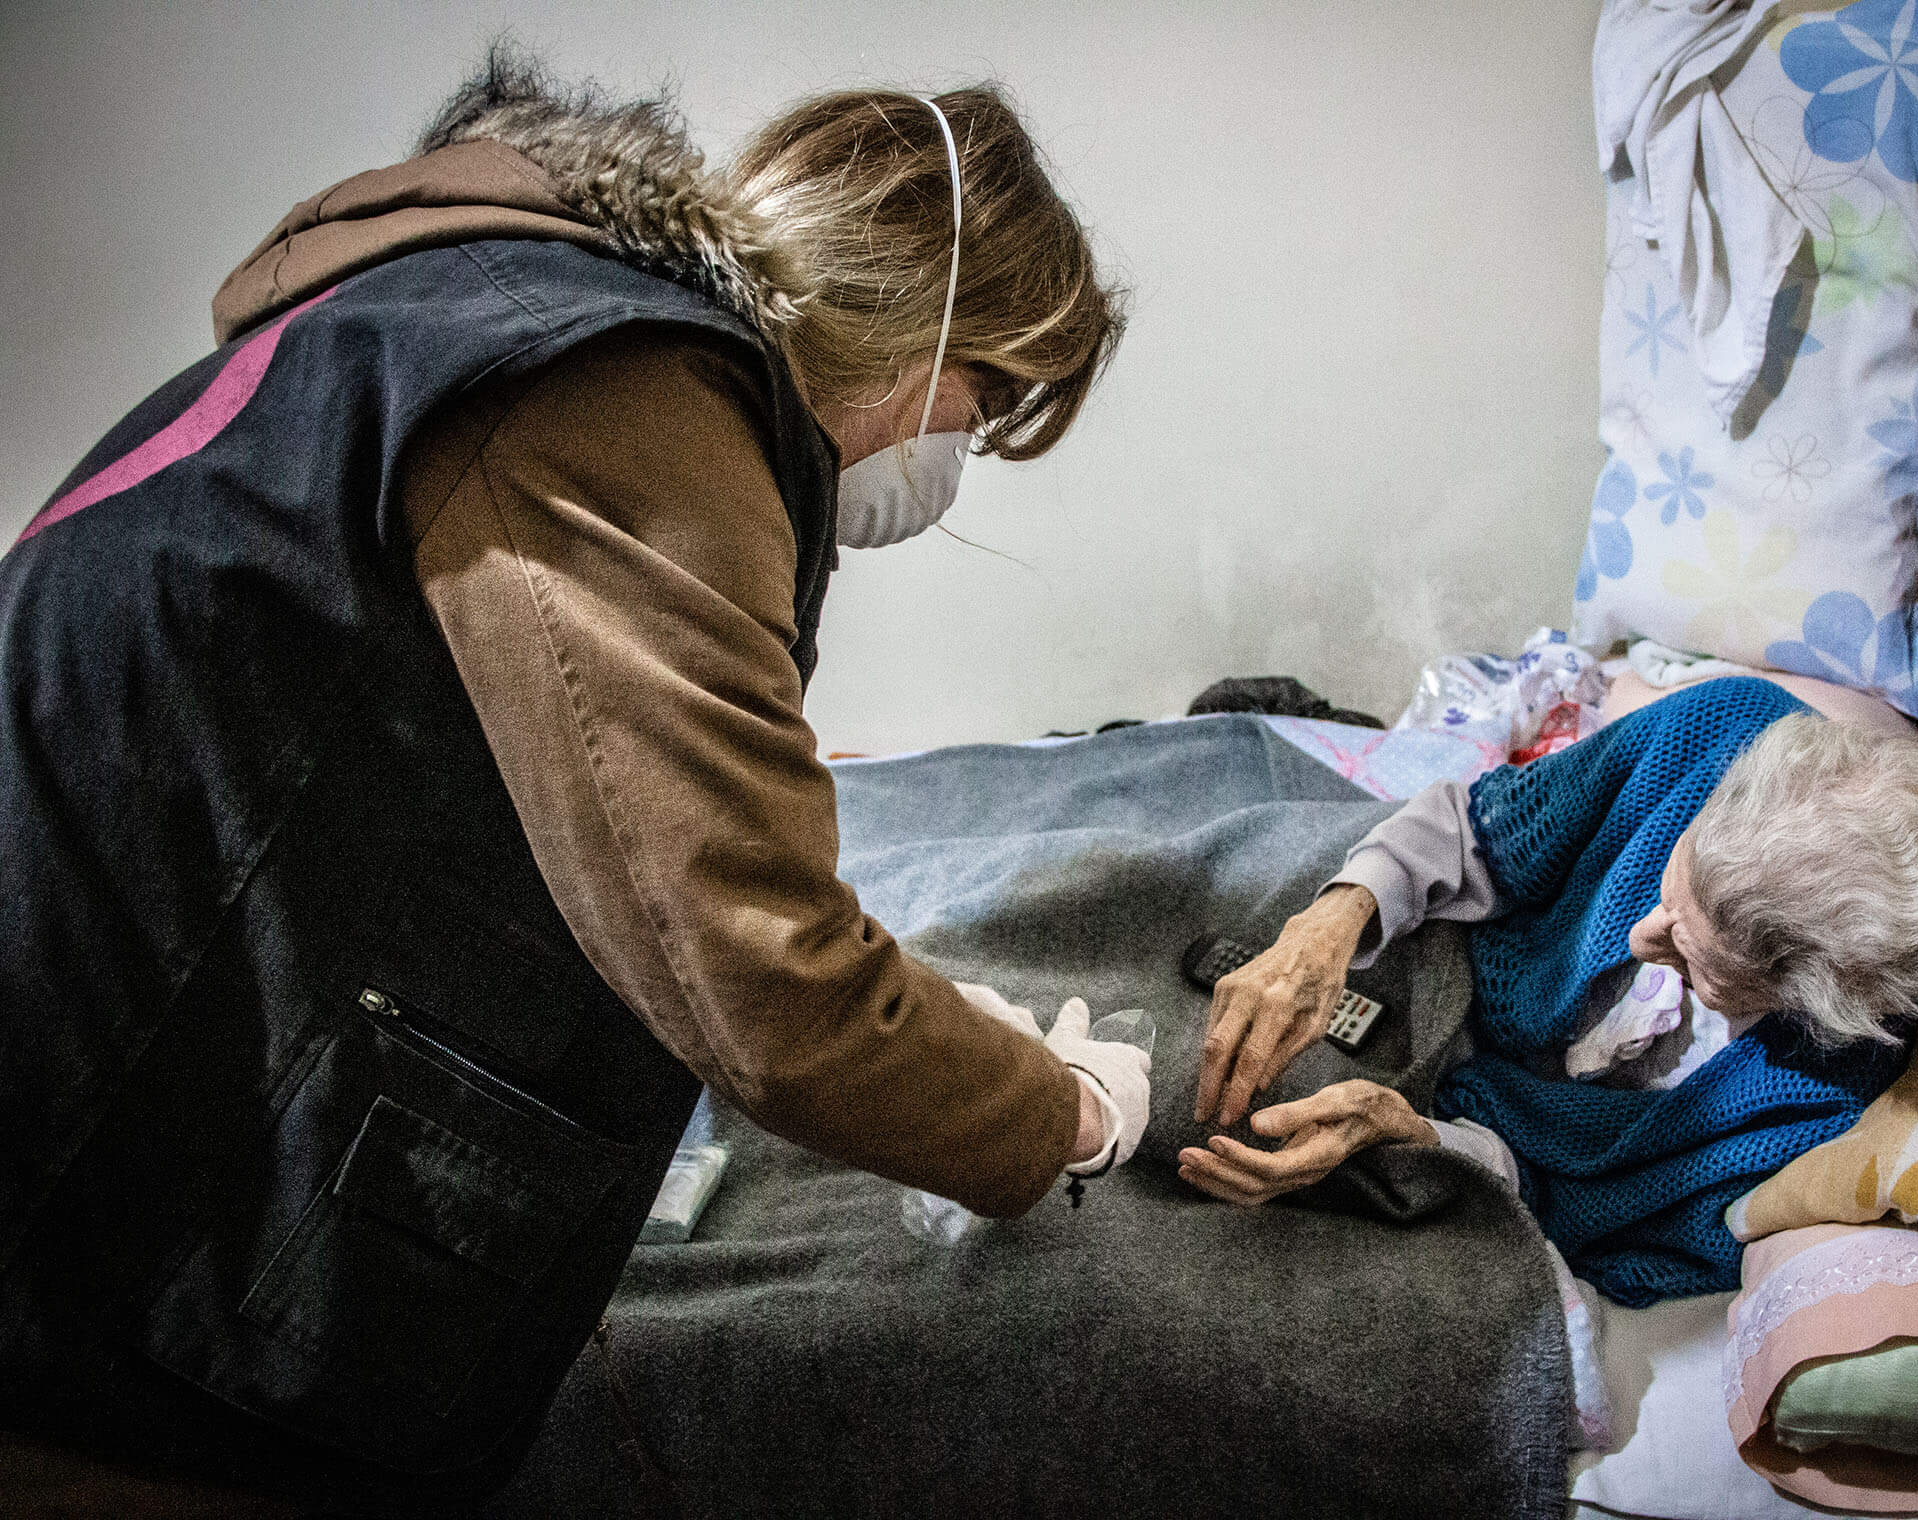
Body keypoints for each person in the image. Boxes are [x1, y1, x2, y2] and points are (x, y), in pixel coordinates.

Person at [0, 51, 1148, 1512]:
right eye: (978, 407)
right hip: (89, 1169)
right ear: (914, 324)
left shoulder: (459, 308)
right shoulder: (625, 397)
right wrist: (1052, 1111)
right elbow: (763, 979)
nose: (957, 458)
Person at [1183, 676, 1918, 1304]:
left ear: (1814, 1002)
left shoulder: (1828, 1103)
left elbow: (1582, 1208)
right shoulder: (1718, 733)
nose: (1642, 936)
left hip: (1456, 1131)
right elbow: (1481, 828)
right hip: (1435, 944)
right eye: (1673, 891)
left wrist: (1424, 1139)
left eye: (1691, 954)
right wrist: (1329, 925)